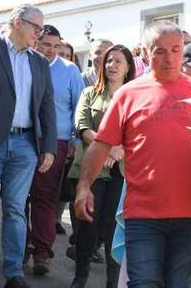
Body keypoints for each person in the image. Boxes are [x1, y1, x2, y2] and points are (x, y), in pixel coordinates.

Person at [75, 21, 191, 287]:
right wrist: (84, 186)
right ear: (146, 53)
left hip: (190, 213)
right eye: (160, 51)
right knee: (143, 283)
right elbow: (101, 144)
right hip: (143, 214)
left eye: (175, 50)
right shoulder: (128, 94)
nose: (169, 58)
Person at [0, 4, 57, 288]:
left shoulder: (39, 63)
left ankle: (13, 273)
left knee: (16, 209)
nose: (39, 34)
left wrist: (49, 147)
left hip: (25, 145)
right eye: (36, 28)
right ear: (18, 22)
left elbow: (47, 107)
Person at [68, 44, 134, 287]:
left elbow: (138, 132)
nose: (112, 65)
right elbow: (82, 127)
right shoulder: (89, 93)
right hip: (92, 169)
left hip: (121, 172)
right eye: (109, 60)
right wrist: (108, 148)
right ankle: (80, 278)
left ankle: (112, 282)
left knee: (113, 227)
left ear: (128, 67)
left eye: (118, 61)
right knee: (87, 226)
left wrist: (120, 151)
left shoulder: (134, 96)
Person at [27, 24, 85, 276]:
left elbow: (79, 108)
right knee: (18, 198)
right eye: (46, 45)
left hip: (57, 142)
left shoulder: (70, 70)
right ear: (36, 42)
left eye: (56, 46)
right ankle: (20, 247)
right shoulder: (25, 64)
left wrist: (75, 140)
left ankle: (41, 250)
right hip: (24, 138)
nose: (51, 50)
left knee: (44, 196)